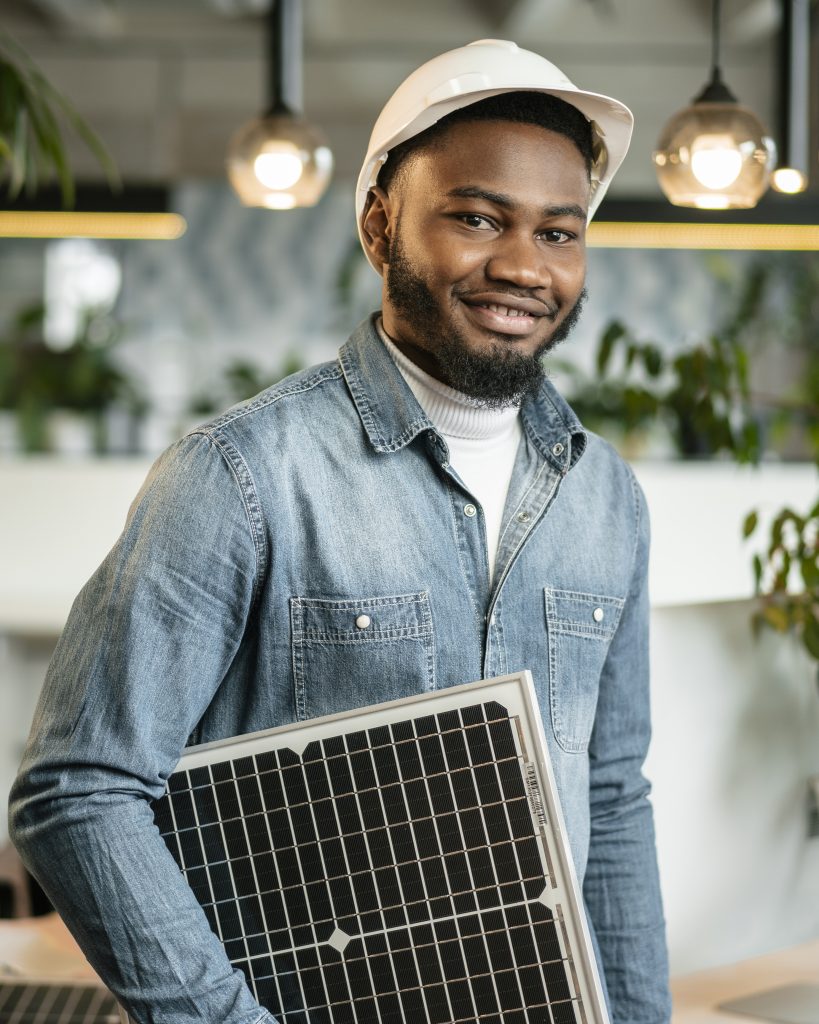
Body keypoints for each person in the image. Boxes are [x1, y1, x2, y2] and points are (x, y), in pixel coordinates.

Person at [9, 39, 671, 1024]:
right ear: (378, 226)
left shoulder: (605, 496)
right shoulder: (241, 474)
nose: (523, 266)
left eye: (559, 233)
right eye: (477, 217)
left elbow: (612, 802)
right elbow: (79, 790)